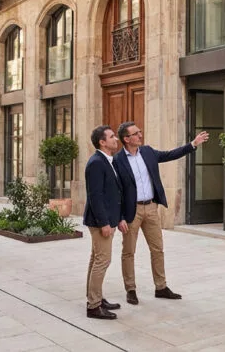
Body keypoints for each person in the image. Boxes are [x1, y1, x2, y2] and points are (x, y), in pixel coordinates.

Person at [114, 123, 208, 305]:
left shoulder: (148, 152)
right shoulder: (118, 160)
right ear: (126, 139)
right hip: (130, 211)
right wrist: (120, 217)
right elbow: (115, 191)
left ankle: (161, 287)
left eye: (140, 131)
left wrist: (193, 144)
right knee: (128, 252)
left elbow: (169, 155)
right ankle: (131, 289)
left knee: (157, 249)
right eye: (136, 133)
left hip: (150, 208)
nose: (140, 135)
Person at [83, 125, 127, 320]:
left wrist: (118, 218)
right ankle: (94, 306)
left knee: (96, 259)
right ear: (102, 142)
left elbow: (114, 193)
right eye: (111, 137)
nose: (116, 140)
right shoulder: (96, 163)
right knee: (103, 260)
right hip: (101, 221)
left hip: (109, 218)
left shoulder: (108, 161)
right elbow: (95, 196)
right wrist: (104, 223)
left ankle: (96, 298)